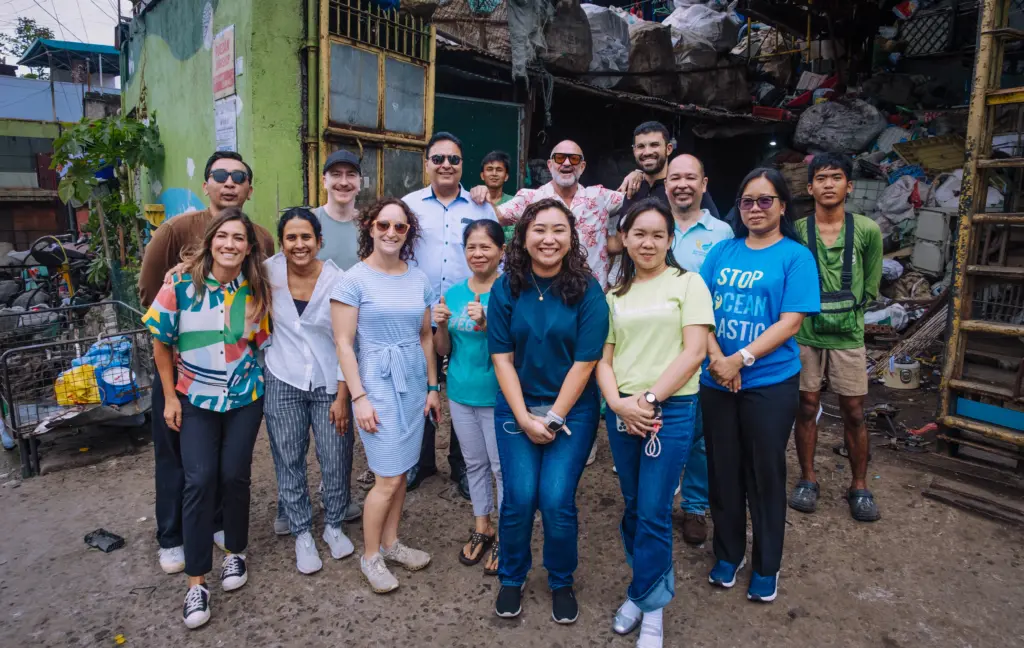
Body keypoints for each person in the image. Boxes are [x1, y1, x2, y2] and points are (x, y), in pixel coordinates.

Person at [137, 151, 274, 575]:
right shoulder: (177, 229)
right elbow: (149, 287)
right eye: (220, 175)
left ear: (249, 188)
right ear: (207, 185)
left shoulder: (262, 238)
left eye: (239, 176)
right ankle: (172, 535)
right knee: (179, 460)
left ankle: (220, 527)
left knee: (228, 466)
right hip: (182, 370)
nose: (229, 182)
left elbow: (263, 305)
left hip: (236, 376)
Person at [595, 199, 714, 648]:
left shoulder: (689, 284)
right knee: (633, 506)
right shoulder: (613, 295)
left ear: (670, 240)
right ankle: (643, 590)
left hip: (670, 412)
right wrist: (618, 404)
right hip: (623, 413)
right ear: (623, 239)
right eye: (638, 234)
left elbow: (694, 352)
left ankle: (651, 608)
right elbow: (602, 359)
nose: (647, 242)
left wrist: (647, 399)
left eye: (658, 235)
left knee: (654, 511)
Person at [699, 168, 820, 604]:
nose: (755, 209)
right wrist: (716, 357)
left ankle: (767, 565)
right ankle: (728, 555)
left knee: (764, 473)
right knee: (723, 469)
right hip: (717, 381)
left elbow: (791, 323)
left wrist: (740, 359)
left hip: (769, 383)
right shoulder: (722, 251)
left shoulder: (795, 257)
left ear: (783, 206)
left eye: (765, 200)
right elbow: (701, 310)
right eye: (747, 201)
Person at [488, 198, 608, 624]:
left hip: (571, 411)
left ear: (572, 237)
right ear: (523, 235)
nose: (548, 239)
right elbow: (502, 358)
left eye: (559, 230)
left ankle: (561, 580)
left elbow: (586, 360)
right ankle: (512, 577)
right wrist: (523, 418)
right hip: (517, 406)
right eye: (539, 229)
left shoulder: (588, 290)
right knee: (519, 498)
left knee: (556, 499)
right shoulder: (507, 287)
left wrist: (554, 417)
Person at [332, 197, 442, 594]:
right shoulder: (353, 280)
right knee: (387, 476)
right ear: (370, 229)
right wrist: (358, 397)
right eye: (383, 225)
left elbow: (426, 335)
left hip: (413, 380)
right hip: (376, 383)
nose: (391, 233)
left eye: (399, 227)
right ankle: (371, 556)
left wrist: (432, 387)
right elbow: (344, 345)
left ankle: (392, 544)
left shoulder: (418, 278)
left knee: (401, 474)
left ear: (408, 232)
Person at [269, 148, 364, 538]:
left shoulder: (368, 227)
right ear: (323, 180)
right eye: (335, 174)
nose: (343, 181)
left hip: (341, 350)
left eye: (351, 175)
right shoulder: (273, 266)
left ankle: (335, 509)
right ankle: (292, 511)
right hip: (287, 368)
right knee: (287, 448)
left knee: (336, 449)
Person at [789, 153, 884, 523]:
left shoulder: (866, 230)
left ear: (849, 185)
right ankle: (808, 479)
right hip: (806, 333)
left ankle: (859, 486)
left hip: (848, 335)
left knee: (855, 412)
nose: (829, 184)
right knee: (807, 407)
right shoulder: (796, 230)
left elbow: (871, 285)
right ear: (809, 186)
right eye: (821, 178)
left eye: (837, 177)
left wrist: (850, 312)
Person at [402, 132, 496, 497]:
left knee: (462, 380)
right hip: (418, 306)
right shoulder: (409, 206)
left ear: (462, 166)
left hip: (465, 309)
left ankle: (462, 464)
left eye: (453, 160)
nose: (445, 165)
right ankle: (420, 461)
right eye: (438, 158)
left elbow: (491, 251)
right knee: (419, 383)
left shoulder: (479, 206)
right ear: (426, 163)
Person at [263, 208, 355, 575]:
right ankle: (301, 531)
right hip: (281, 376)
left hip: (328, 381)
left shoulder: (339, 280)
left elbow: (346, 341)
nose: (299, 245)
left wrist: (343, 396)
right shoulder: (267, 272)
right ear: (282, 242)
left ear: (319, 241)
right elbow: (220, 268)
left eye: (306, 238)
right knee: (288, 456)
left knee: (335, 455)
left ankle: (333, 524)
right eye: (291, 238)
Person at [656, 153, 735, 545]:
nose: (682, 184)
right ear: (665, 183)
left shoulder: (721, 234)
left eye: (691, 177)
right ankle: (653, 503)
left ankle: (695, 507)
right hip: (654, 347)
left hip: (702, 348)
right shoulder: (654, 225)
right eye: (675, 178)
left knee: (700, 435)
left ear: (704, 184)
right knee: (656, 425)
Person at [433, 219, 505, 576]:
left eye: (486, 246)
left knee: (501, 468)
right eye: (472, 247)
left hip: (499, 396)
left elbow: (520, 350)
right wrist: (442, 325)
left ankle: (508, 536)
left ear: (501, 251)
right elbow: (443, 350)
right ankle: (483, 526)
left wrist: (491, 322)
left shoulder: (511, 291)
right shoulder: (455, 293)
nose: (478, 253)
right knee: (474, 464)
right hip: (460, 392)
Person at [494, 140, 624, 288]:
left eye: (574, 159)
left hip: (592, 295)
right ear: (550, 165)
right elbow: (492, 217)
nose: (567, 163)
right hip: (546, 294)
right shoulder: (531, 198)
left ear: (582, 167)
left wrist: (638, 176)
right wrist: (480, 197)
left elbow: (638, 201)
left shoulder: (600, 197)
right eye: (560, 158)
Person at [619, 121, 720, 219]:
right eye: (640, 146)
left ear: (668, 149)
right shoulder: (631, 187)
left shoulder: (685, 189)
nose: (647, 152)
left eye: (654, 145)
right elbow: (620, 231)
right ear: (634, 151)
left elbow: (714, 229)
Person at [480, 150, 517, 243]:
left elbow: (515, 236)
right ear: (482, 175)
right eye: (489, 169)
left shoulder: (514, 203)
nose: (494, 173)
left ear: (506, 176)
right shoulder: (474, 202)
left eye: (499, 170)